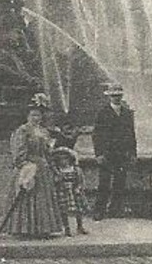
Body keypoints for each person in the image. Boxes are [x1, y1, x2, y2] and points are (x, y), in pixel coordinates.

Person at [0, 97, 66, 238]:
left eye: (39, 115)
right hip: (29, 166)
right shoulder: (23, 130)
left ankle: (43, 228)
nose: (36, 118)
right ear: (28, 116)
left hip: (43, 168)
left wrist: (53, 168)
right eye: (33, 115)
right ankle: (23, 229)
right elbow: (18, 150)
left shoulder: (44, 131)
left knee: (43, 198)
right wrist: (24, 165)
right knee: (27, 196)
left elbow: (48, 152)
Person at [91, 83, 136, 219]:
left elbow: (131, 134)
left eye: (118, 95)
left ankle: (115, 209)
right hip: (107, 153)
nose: (116, 98)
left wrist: (133, 153)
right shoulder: (102, 112)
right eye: (113, 96)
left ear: (121, 96)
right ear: (109, 97)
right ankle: (99, 210)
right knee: (104, 183)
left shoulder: (127, 113)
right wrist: (98, 154)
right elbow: (96, 135)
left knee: (119, 183)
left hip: (122, 153)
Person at [49, 129, 89, 236]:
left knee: (78, 210)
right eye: (60, 159)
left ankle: (79, 226)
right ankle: (66, 228)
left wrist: (78, 187)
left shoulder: (75, 170)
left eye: (65, 158)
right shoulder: (58, 171)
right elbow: (55, 182)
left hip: (75, 192)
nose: (63, 161)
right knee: (64, 210)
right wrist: (57, 178)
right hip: (63, 192)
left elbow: (80, 180)